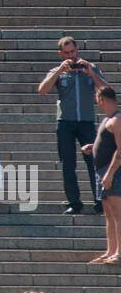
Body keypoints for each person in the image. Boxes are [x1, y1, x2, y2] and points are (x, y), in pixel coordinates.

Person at [37, 35, 108, 215]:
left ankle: (100, 200)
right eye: (66, 53)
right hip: (65, 123)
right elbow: (42, 90)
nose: (70, 56)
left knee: (95, 163)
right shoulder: (58, 71)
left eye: (72, 52)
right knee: (67, 164)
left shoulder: (90, 68)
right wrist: (59, 71)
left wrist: (90, 72)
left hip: (86, 122)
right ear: (60, 53)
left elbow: (107, 91)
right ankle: (74, 202)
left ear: (77, 50)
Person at [83, 86, 121, 264]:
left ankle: (119, 253)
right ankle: (110, 250)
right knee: (108, 214)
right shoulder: (107, 119)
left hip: (113, 172)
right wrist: (94, 146)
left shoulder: (117, 119)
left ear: (101, 99)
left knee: (118, 213)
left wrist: (110, 174)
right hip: (102, 171)